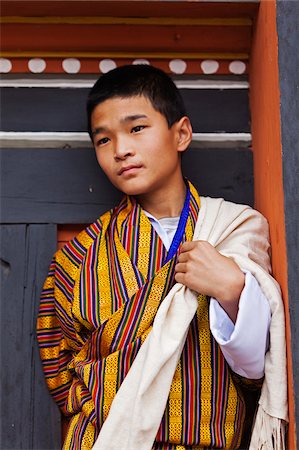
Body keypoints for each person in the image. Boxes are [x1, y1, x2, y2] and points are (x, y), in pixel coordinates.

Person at [37, 65, 287, 450]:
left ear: (181, 133)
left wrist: (233, 291)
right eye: (104, 140)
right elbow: (60, 371)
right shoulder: (76, 258)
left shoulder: (234, 230)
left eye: (136, 129)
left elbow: (258, 370)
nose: (121, 150)